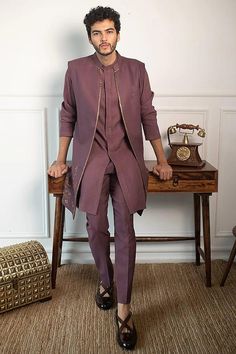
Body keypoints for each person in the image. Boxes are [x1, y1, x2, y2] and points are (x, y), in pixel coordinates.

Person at [48, 6, 172, 350]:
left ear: (119, 33)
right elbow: (67, 115)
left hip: (127, 159)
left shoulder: (136, 70)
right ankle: (105, 280)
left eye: (109, 31)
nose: (104, 39)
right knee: (95, 226)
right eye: (97, 33)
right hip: (91, 160)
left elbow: (148, 115)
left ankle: (124, 309)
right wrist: (60, 160)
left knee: (126, 230)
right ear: (90, 36)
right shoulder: (75, 70)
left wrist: (162, 161)